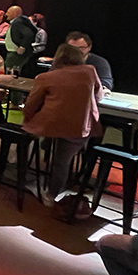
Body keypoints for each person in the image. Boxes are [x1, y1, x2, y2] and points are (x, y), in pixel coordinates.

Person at [21, 43, 103, 208]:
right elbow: (99, 95)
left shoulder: (45, 77)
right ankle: (52, 192)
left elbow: (30, 105)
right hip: (80, 127)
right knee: (62, 161)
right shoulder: (90, 71)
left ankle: (35, 174)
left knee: (44, 139)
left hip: (51, 125)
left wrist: (27, 119)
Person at [2, 6, 37, 74]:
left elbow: (29, 34)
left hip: (16, 53)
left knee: (11, 74)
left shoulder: (18, 22)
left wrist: (22, 46)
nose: (6, 14)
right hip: (14, 52)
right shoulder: (16, 22)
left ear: (15, 13)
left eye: (8, 12)